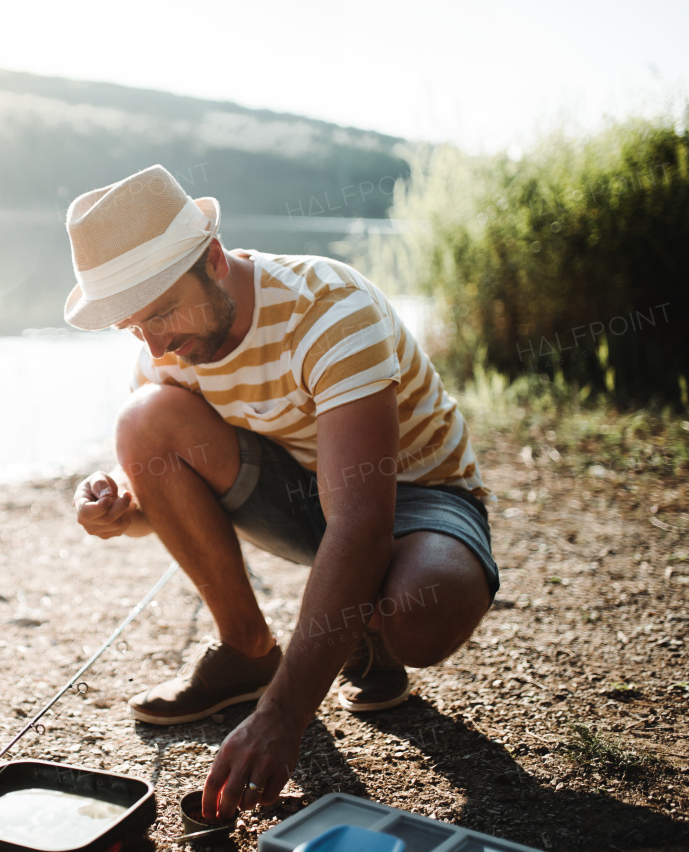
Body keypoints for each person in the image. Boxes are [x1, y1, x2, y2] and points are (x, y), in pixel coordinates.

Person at [66, 166, 497, 820]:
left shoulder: (327, 307)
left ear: (212, 259)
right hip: (307, 496)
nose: (155, 345)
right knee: (143, 419)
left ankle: (369, 628)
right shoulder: (166, 346)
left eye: (161, 314)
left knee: (418, 613)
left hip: (418, 495)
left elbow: (359, 520)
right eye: (133, 328)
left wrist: (284, 717)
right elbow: (171, 488)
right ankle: (246, 649)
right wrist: (124, 507)